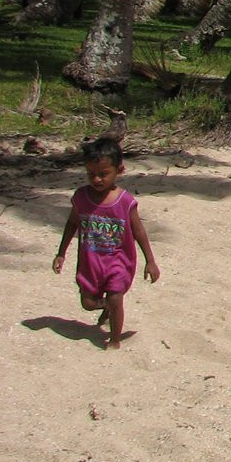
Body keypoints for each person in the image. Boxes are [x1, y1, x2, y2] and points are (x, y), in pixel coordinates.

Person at [52, 136, 160, 349]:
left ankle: (115, 339)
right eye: (91, 174)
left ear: (119, 171)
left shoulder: (125, 201)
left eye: (103, 174)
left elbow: (139, 231)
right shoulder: (81, 197)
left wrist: (150, 261)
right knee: (88, 303)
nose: (97, 179)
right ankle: (106, 307)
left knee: (116, 297)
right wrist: (61, 253)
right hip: (90, 262)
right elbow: (72, 224)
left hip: (118, 261)